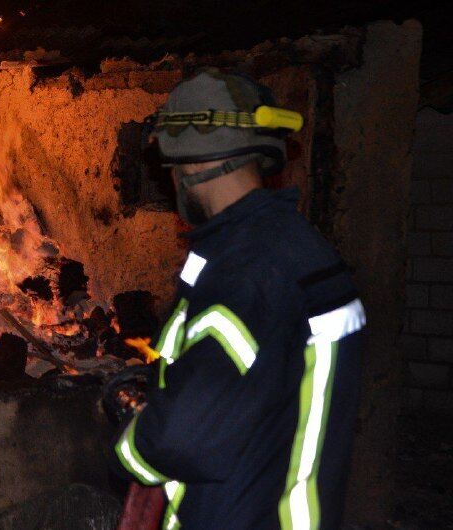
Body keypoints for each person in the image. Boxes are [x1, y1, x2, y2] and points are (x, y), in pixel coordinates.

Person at [112, 70, 365, 530]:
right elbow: (252, 384)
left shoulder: (247, 275)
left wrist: (133, 424)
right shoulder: (293, 246)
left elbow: (182, 439)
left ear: (187, 166)